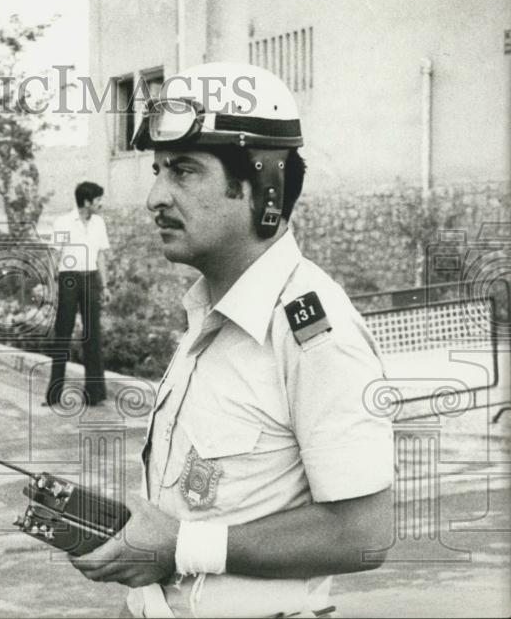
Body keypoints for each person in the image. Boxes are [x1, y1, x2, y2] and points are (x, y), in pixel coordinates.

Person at [67, 63, 393, 618]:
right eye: (158, 170)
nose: (154, 197)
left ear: (263, 187)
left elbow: (363, 534)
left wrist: (179, 546)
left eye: (185, 171)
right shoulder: (209, 313)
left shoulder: (313, 331)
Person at [44, 181, 111, 408]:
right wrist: (49, 285)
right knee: (63, 334)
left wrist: (105, 285)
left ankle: (95, 393)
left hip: (91, 278)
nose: (101, 203)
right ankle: (54, 394)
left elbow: (100, 256)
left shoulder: (99, 223)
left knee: (93, 336)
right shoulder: (63, 222)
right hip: (69, 279)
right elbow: (54, 255)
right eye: (98, 200)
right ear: (86, 201)